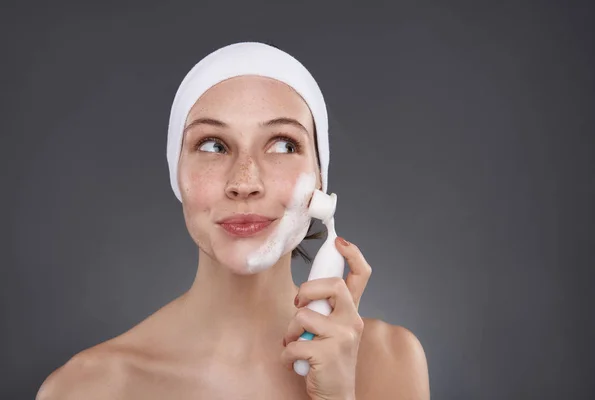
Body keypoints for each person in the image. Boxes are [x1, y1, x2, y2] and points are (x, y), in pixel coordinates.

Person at [36, 42, 430, 399]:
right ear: (178, 174)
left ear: (320, 179)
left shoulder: (391, 362)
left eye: (282, 144)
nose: (244, 182)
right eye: (212, 145)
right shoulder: (85, 389)